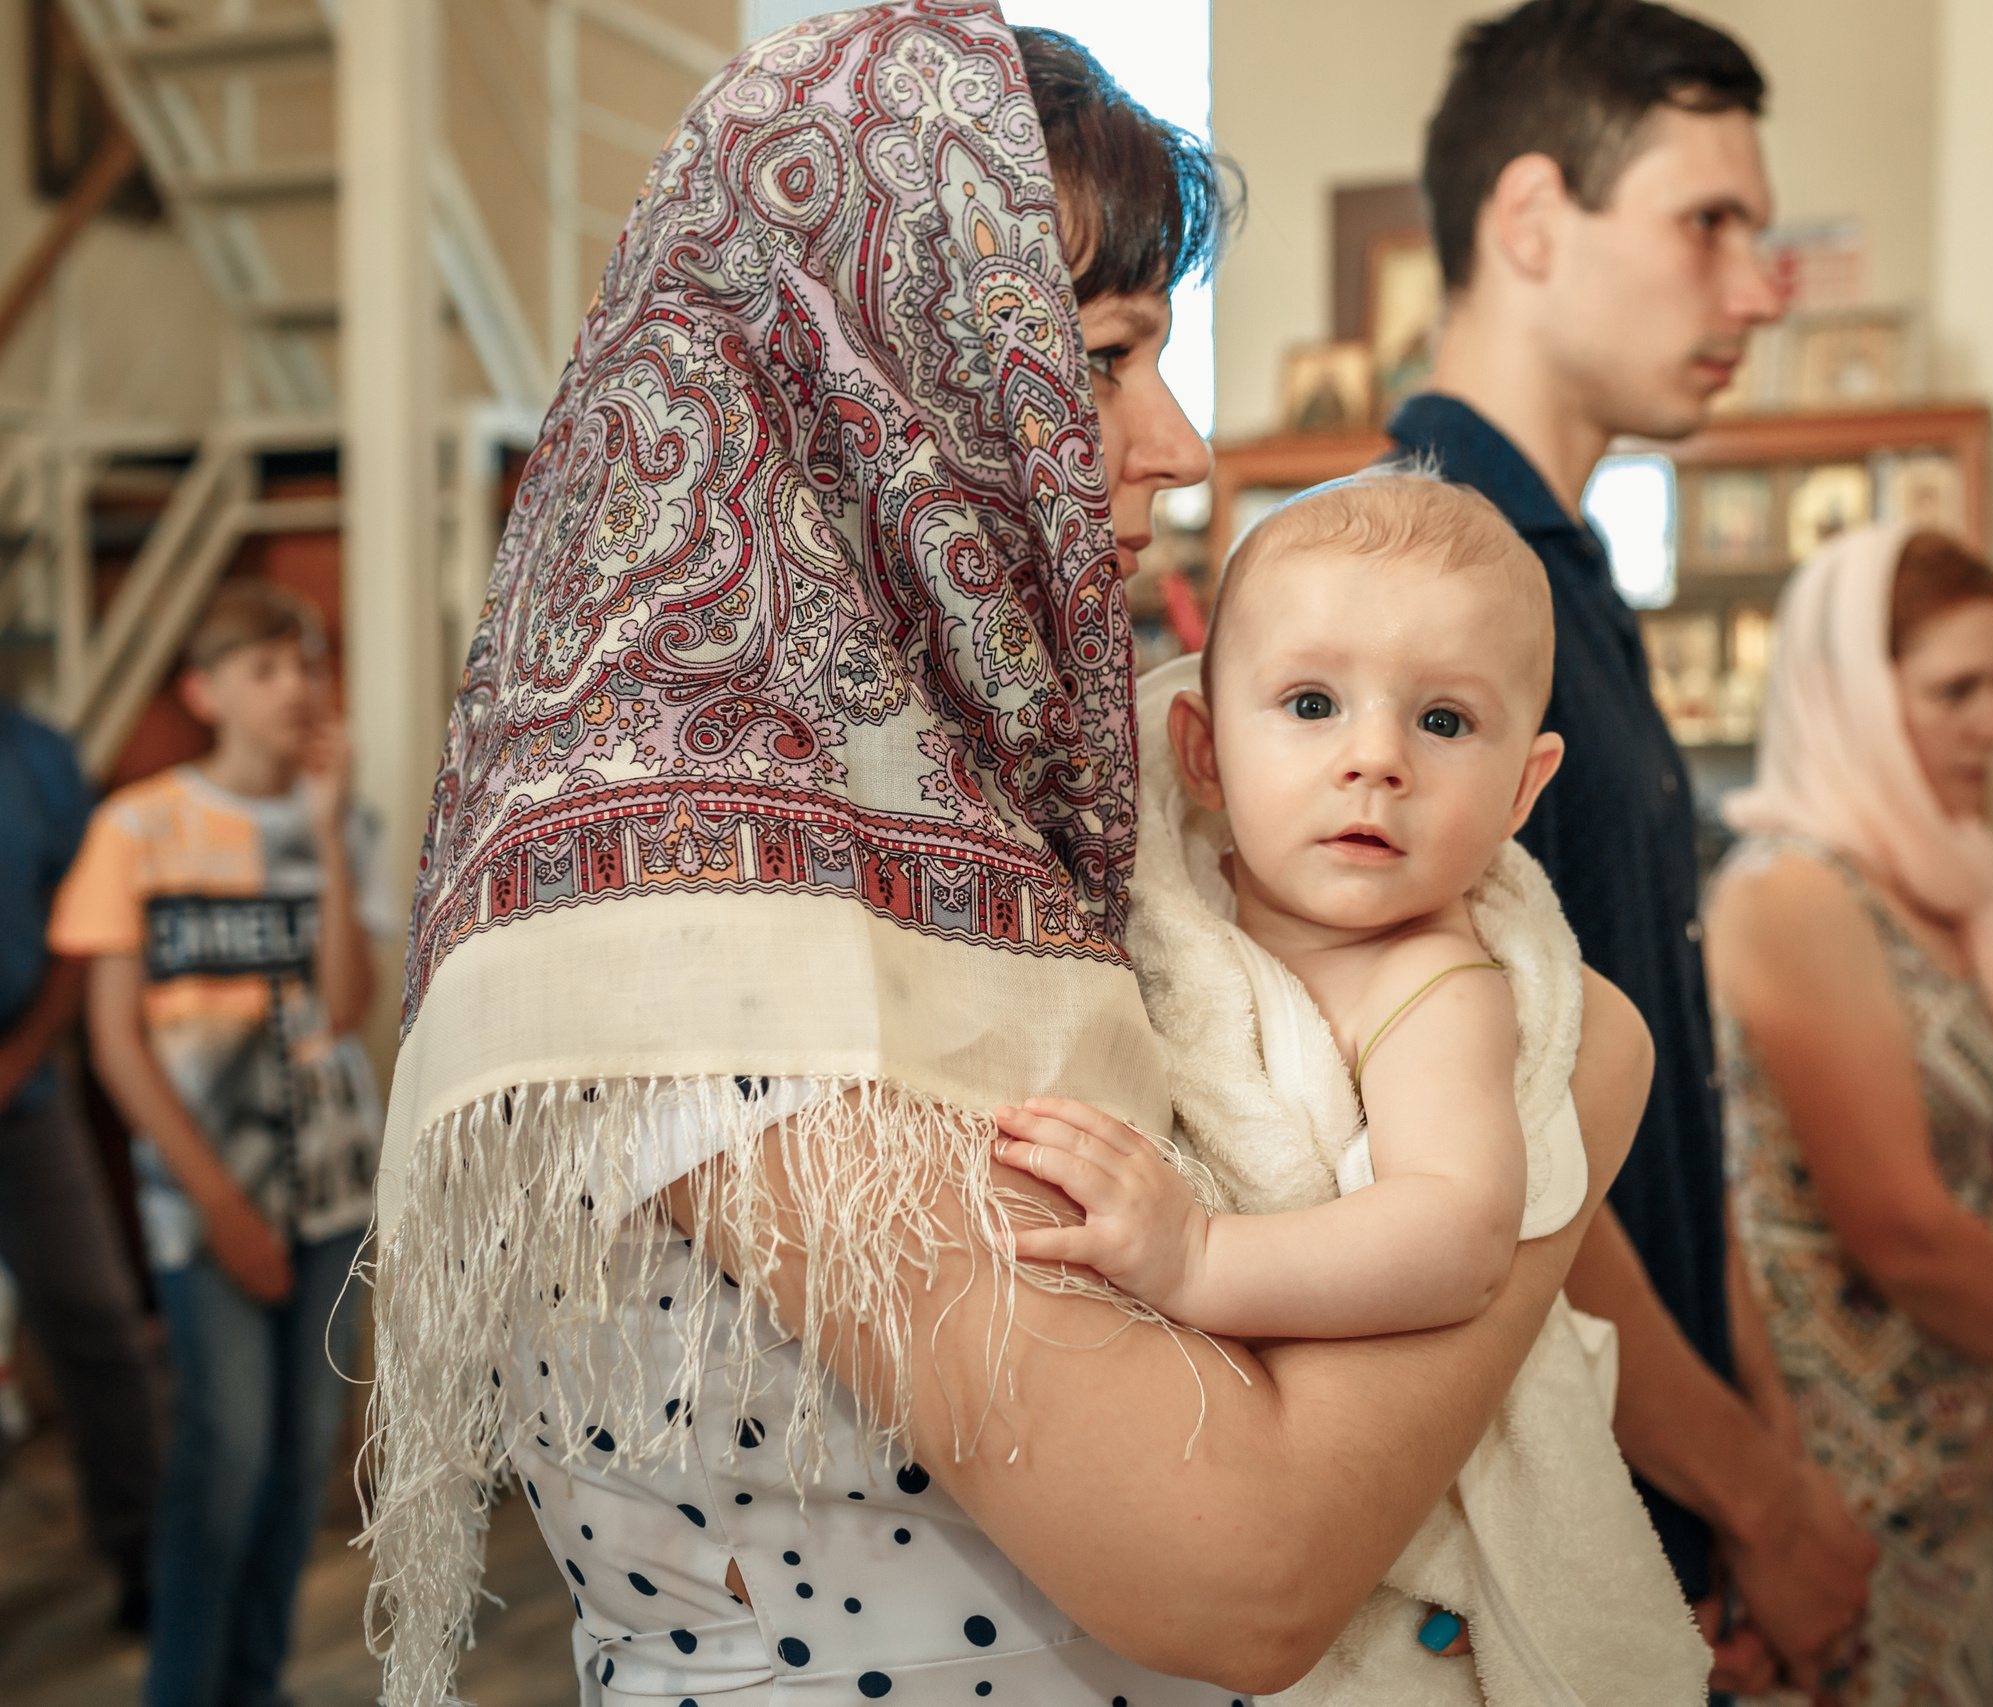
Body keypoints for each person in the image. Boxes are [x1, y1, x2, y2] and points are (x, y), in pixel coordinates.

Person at [359, 11, 1648, 1707]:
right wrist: (1550, 1112)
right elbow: (1240, 1560)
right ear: (871, 387)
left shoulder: (1013, 788)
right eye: (1103, 361)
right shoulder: (690, 907)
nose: (1178, 443)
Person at [998, 472, 1710, 1701]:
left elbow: (1458, 1230)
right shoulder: (1174, 917)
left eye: (1442, 722)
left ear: (1523, 791)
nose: (1374, 760)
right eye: (1313, 704)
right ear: (1203, 753)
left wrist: (1201, 1259)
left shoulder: (1435, 984)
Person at [1392, 0, 1876, 1691]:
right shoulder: (1418, 581)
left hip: (1652, 1478)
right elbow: (1484, 1145)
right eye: (1710, 223)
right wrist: (1762, 1491)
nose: (1759, 288)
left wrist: (1745, 1465)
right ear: (1532, 220)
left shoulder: (1560, 572)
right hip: (1537, 1518)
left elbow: (1655, 1104)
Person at [1710, 526, 1993, 1704]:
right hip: (1854, 1464)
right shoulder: (1793, 894)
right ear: (1841, 694)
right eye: (1955, 689)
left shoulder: (1938, 883)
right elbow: (1901, 1225)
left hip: (1961, 1436)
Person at [50, 580, 390, 1707]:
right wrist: (224, 1206)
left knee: (300, 1461)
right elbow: (113, 1046)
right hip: (203, 1203)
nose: (296, 686)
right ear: (204, 693)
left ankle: (255, 1684)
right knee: (224, 1457)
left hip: (333, 1191)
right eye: (265, 668)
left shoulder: (348, 820)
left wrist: (333, 834)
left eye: (307, 663)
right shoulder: (135, 828)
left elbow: (345, 1006)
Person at [0, 699, 162, 1631]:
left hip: (23, 1095)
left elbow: (82, 916)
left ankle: (140, 1555)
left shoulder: (38, 756)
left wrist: (23, 1055)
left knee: (99, 1324)